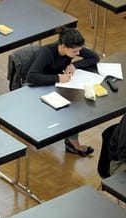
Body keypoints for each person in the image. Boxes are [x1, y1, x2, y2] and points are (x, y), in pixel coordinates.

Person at [26, 27, 100, 157]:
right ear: (64, 46)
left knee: (75, 106)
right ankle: (70, 141)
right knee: (69, 108)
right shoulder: (47, 52)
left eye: (79, 50)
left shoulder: (73, 48)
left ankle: (72, 142)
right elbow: (31, 76)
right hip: (37, 87)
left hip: (55, 85)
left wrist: (75, 65)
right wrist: (58, 78)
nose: (78, 53)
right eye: (74, 51)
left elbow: (95, 57)